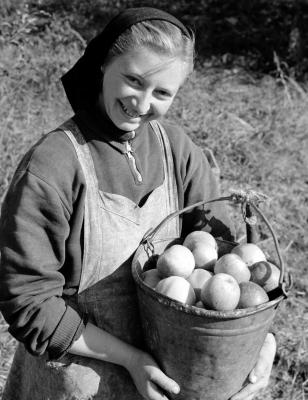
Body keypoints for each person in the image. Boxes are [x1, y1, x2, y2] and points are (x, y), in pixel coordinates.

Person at [0, 7, 276, 400]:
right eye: (133, 80)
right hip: (79, 379)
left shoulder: (176, 150)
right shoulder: (54, 165)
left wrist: (259, 343)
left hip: (171, 375)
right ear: (102, 65)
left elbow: (227, 263)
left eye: (162, 92)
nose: (143, 105)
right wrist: (131, 359)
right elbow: (28, 302)